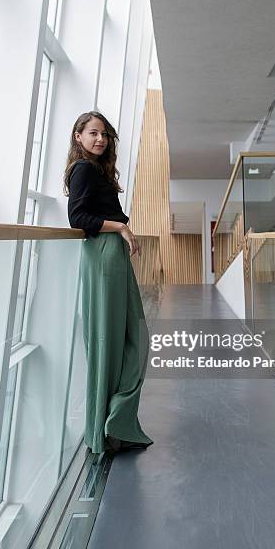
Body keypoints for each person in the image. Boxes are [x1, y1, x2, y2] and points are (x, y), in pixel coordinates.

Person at [63, 110, 154, 455]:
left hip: (111, 257)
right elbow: (78, 218)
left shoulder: (96, 169)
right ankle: (104, 429)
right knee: (109, 341)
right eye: (93, 133)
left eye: (104, 135)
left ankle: (115, 421)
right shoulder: (83, 169)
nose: (100, 139)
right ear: (78, 136)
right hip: (103, 255)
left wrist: (120, 231)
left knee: (133, 338)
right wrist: (120, 227)